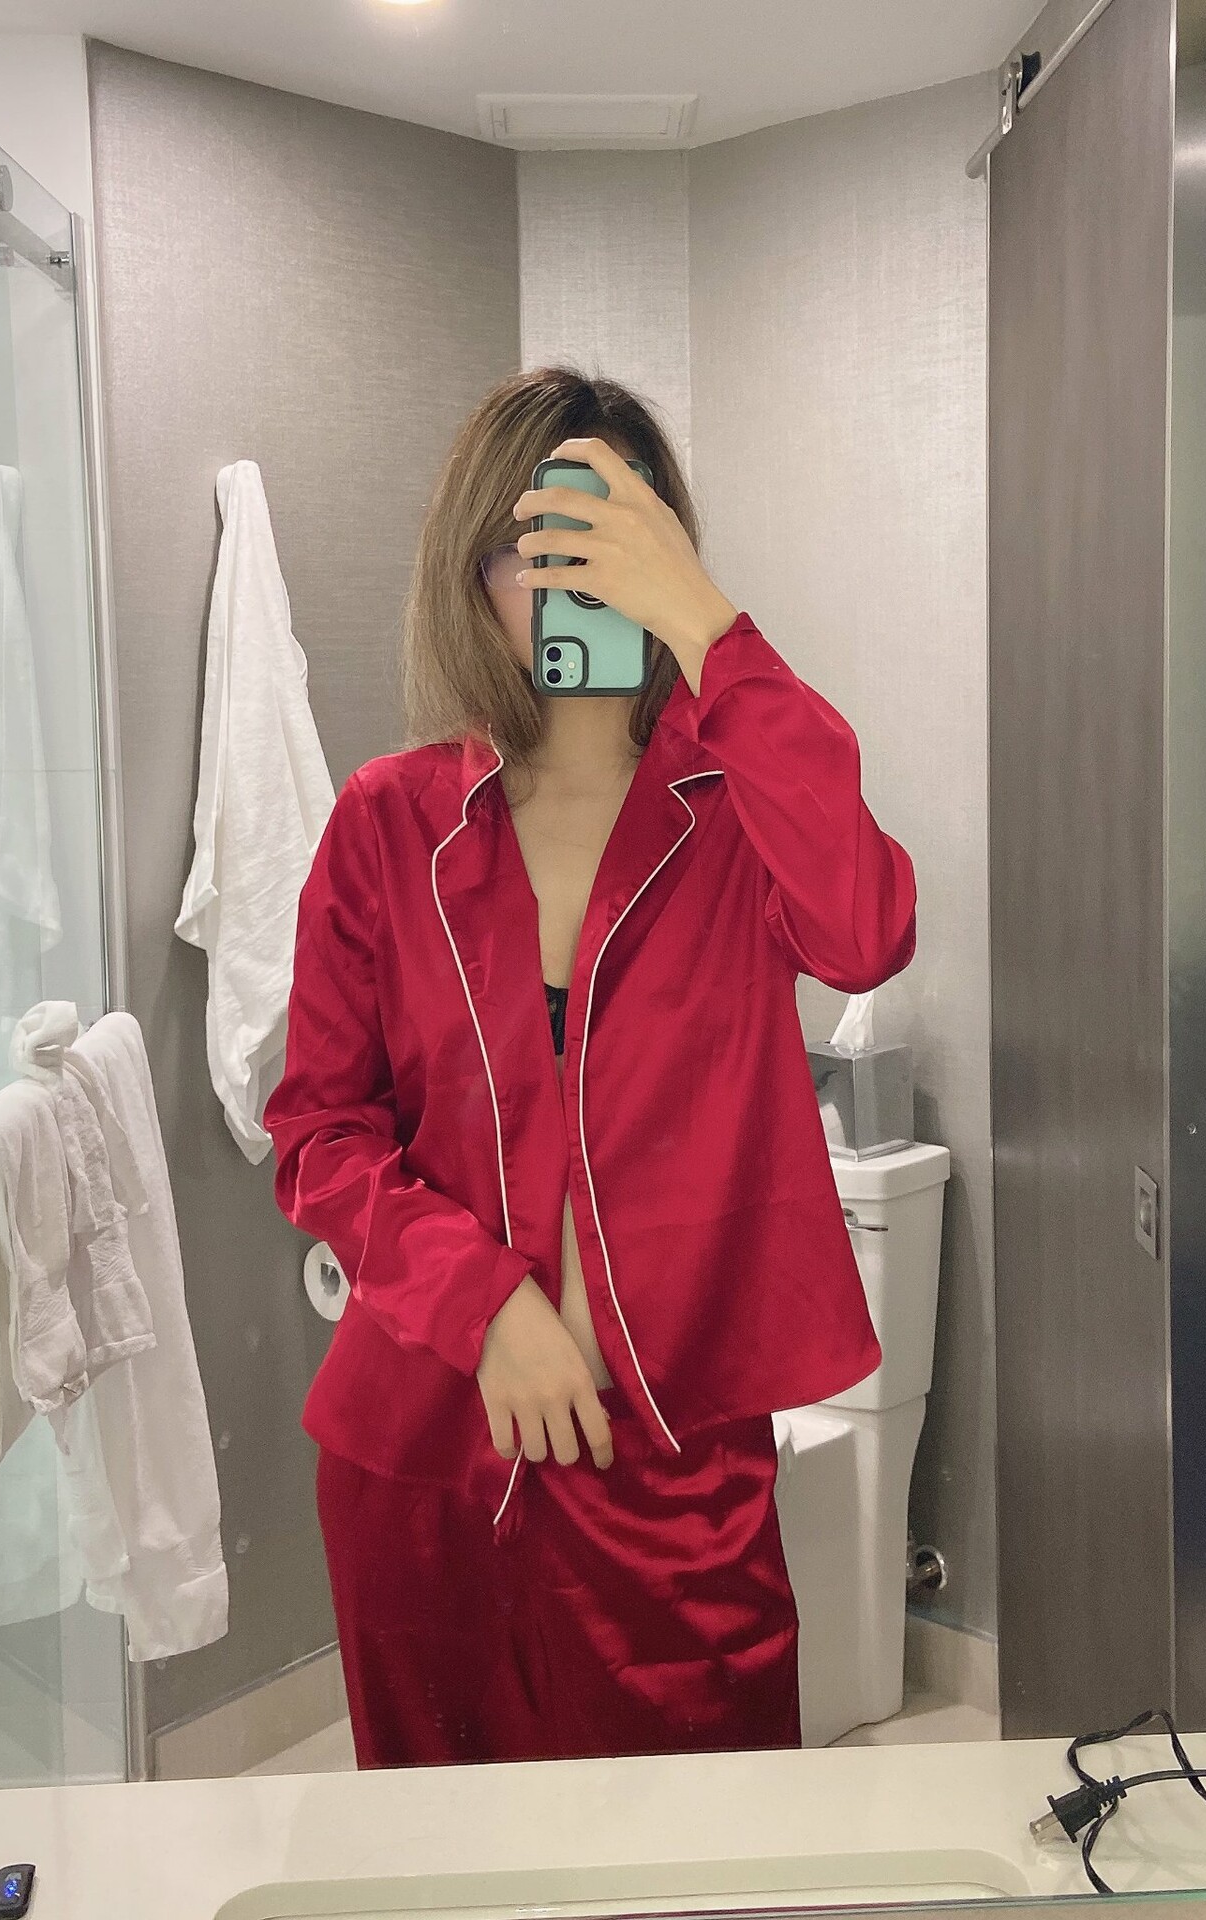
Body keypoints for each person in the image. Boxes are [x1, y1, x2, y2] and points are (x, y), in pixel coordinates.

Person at [263, 365, 917, 1769]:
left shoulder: (738, 808)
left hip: (670, 1462)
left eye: (613, 542)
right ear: (472, 573)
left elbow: (866, 934)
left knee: (701, 1846)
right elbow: (320, 1129)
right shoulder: (388, 823)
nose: (574, 586)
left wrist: (714, 634)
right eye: (538, 550)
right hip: (425, 1458)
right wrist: (485, 1305)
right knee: (440, 1854)